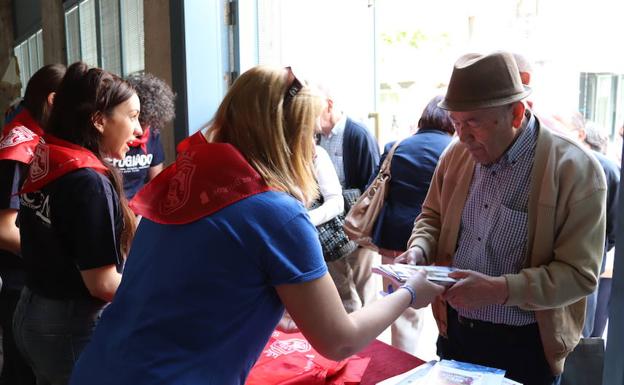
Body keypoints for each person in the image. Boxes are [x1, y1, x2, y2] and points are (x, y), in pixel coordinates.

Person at [68, 66, 445, 385]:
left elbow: (192, 289)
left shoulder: (179, 185)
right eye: (309, 135)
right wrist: (410, 292)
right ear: (290, 138)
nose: (312, 148)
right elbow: (340, 341)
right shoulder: (274, 212)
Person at [397, 51, 606, 385]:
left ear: (516, 113)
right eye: (456, 123)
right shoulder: (456, 155)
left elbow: (579, 276)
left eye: (474, 123)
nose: (462, 136)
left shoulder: (575, 170)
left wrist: (498, 290)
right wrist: (420, 248)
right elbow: (431, 215)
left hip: (526, 347)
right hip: (456, 335)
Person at [13, 62, 141, 385]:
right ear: (98, 120)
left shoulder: (50, 159)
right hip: (66, 326)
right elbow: (102, 283)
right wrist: (157, 292)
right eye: (133, 116)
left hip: (33, 310)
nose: (139, 131)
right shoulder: (86, 182)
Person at [372, 95, 455, 354]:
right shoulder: (454, 150)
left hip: (392, 237)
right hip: (430, 239)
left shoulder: (397, 146)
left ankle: (399, 361)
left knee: (399, 305)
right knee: (438, 306)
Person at [0, 63, 66, 385]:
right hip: (22, 285)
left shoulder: (37, 136)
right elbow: (5, 228)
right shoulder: (19, 146)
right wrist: (58, 260)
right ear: (53, 100)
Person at [316, 85, 381, 313]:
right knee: (340, 286)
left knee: (365, 284)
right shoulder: (315, 138)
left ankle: (374, 340)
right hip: (329, 228)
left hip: (358, 224)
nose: (310, 118)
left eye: (313, 110)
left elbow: (374, 187)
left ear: (329, 105)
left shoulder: (357, 134)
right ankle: (351, 335)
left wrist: (366, 229)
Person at [560, 117, 619, 338]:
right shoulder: (609, 168)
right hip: (579, 272)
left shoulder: (604, 168)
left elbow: (612, 229)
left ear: (581, 134)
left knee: (579, 339)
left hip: (582, 273)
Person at [112, 73, 174, 200]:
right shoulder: (111, 137)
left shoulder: (153, 136)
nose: (140, 130)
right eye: (136, 119)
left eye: (147, 123)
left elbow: (157, 184)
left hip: (138, 207)